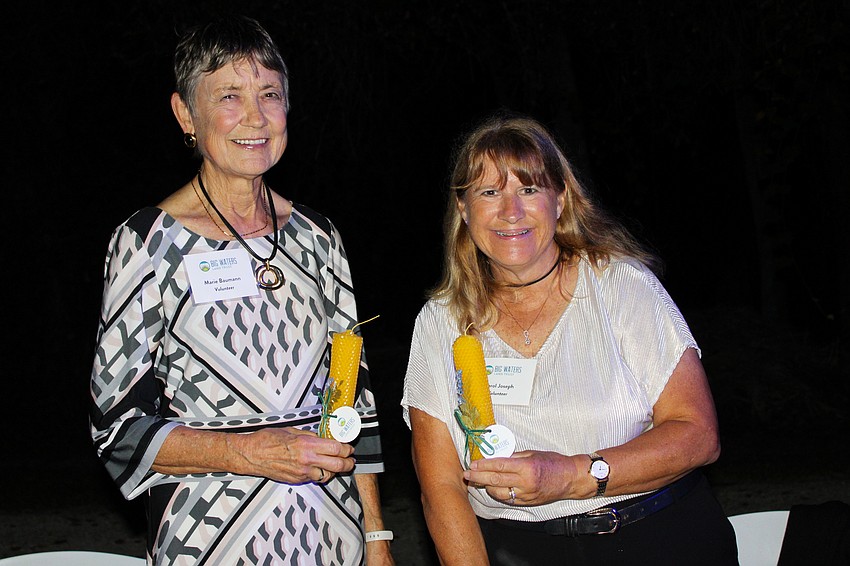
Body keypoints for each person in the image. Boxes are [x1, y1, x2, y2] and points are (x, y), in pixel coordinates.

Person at [89, 16, 394, 566]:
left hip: (332, 534)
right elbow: (117, 430)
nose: (255, 117)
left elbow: (355, 399)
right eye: (229, 96)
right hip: (210, 539)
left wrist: (376, 537)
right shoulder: (148, 242)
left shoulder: (318, 237)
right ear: (186, 114)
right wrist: (249, 452)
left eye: (269, 94)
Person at [401, 113, 738, 564]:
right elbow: (441, 487)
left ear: (560, 200)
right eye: (489, 192)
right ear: (463, 208)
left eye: (528, 189)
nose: (510, 211)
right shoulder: (440, 323)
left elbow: (698, 434)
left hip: (658, 537)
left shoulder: (620, 286)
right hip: (519, 551)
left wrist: (571, 475)